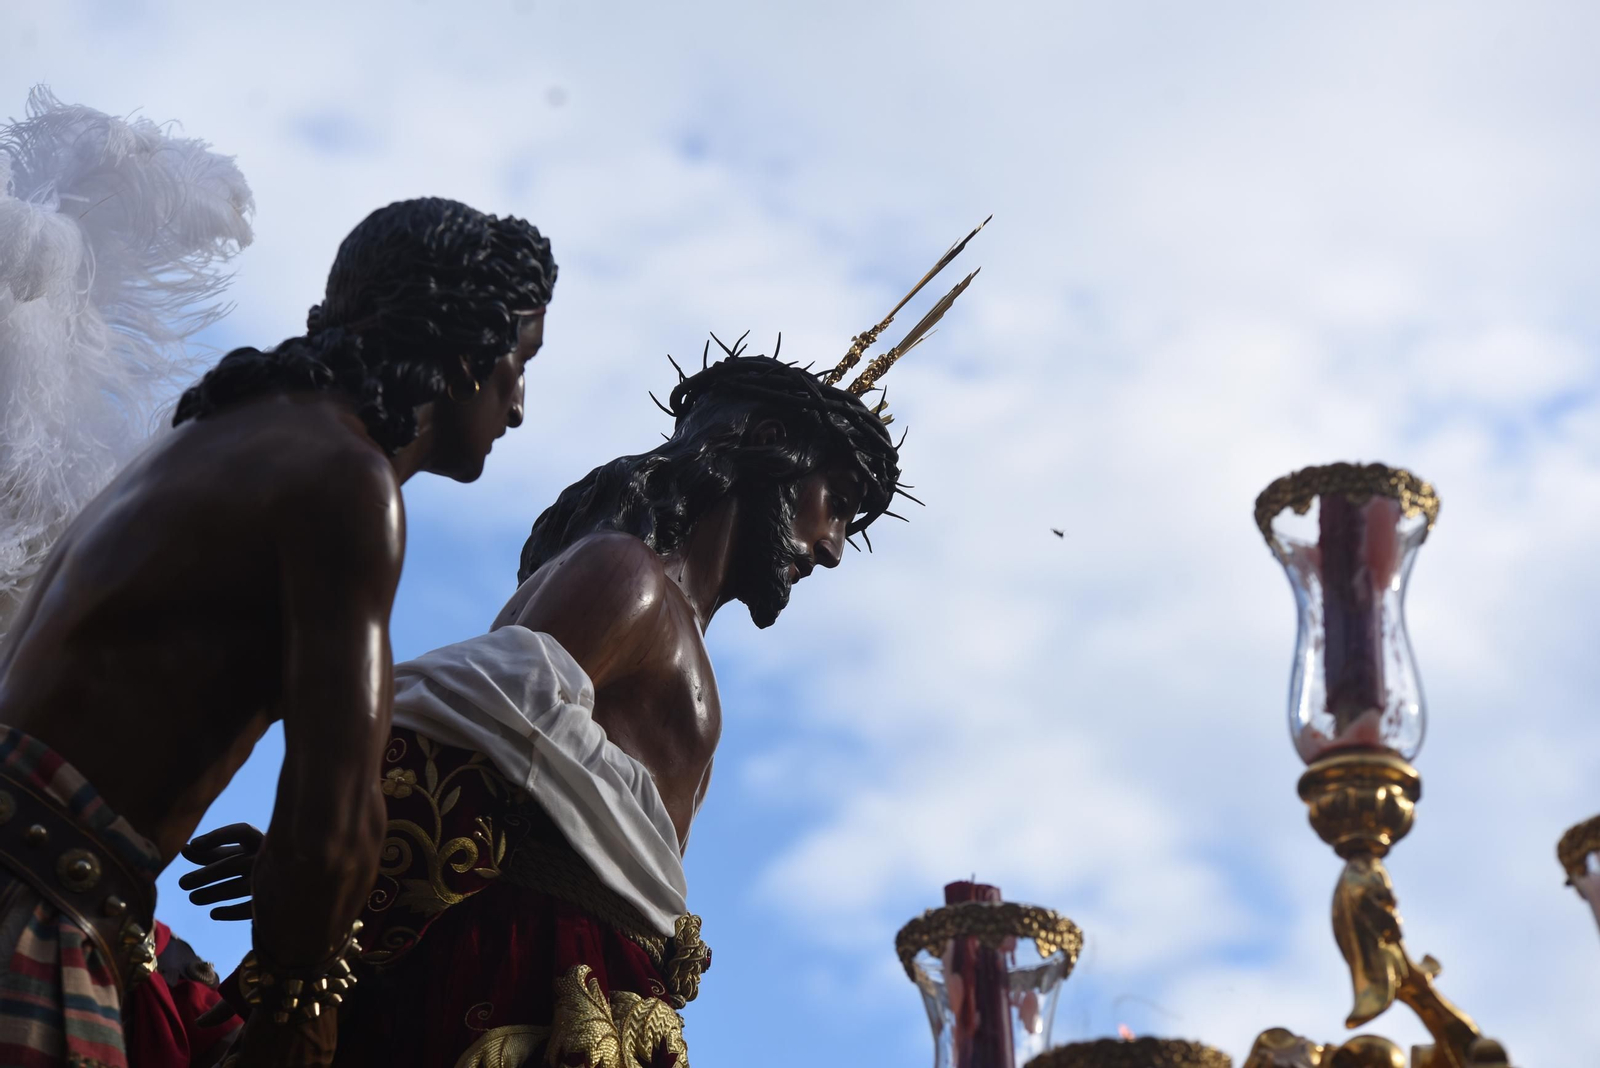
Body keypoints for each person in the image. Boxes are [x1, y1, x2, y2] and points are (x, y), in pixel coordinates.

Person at [188, 221, 984, 1068]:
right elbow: (477, 715)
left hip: (606, 999)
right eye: (837, 504)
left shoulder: (676, 630)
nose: (830, 548)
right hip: (520, 976)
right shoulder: (627, 576)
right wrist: (331, 845)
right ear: (766, 450)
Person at [0, 161, 558, 1068]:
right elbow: (333, 820)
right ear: (466, 355)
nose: (520, 406)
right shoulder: (346, 481)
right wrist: (299, 1010)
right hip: (36, 915)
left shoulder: (218, 435)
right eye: (519, 363)